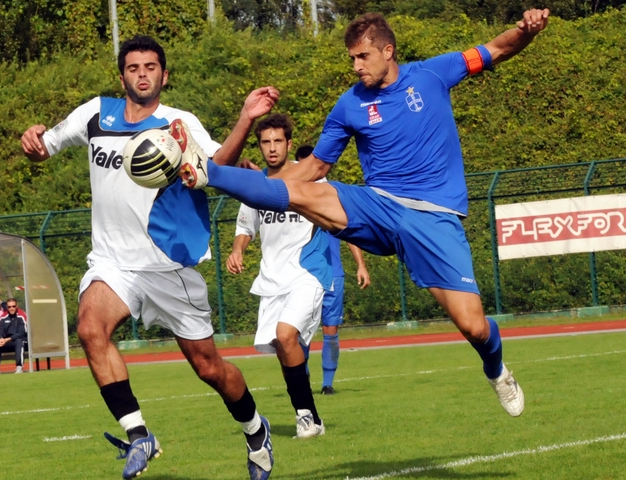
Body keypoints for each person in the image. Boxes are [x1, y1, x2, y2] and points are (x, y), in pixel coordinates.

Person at [179, 9, 552, 418]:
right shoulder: (350, 104)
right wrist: (273, 185)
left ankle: (497, 370)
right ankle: (207, 173)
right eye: (352, 59)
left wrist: (526, 30)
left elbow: (498, 49)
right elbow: (316, 168)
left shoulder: (432, 75)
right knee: (303, 193)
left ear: (387, 51)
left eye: (363, 57)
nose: (356, 67)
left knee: (474, 327)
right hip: (378, 206)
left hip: (433, 217)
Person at [20, 35, 277, 480]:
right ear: (122, 76)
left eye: (151, 67)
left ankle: (256, 430)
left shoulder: (178, 123)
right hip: (113, 263)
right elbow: (46, 147)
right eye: (134, 67)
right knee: (88, 327)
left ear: (164, 74)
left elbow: (218, 165)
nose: (143, 74)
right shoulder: (96, 113)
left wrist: (244, 119)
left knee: (209, 368)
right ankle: (139, 434)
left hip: (169, 265)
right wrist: (33, 141)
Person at [226, 114, 329, 438]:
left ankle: (305, 418)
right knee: (283, 346)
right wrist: (238, 249)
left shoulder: (311, 179)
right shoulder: (256, 187)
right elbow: (246, 226)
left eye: (277, 141)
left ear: (288, 143)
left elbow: (335, 214)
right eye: (265, 142)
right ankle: (309, 415)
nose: (272, 148)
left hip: (307, 273)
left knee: (286, 336)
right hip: (271, 281)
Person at [295, 145, 371, 395]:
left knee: (330, 330)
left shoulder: (332, 193)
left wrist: (360, 264)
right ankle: (301, 380)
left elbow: (349, 232)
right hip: (302, 275)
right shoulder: (291, 195)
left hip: (332, 274)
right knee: (301, 331)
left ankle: (328, 384)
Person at [0, 298, 27, 375]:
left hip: (18, 339)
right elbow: (0, 331)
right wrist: (0, 338)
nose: (11, 308)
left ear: (16, 306)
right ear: (7, 307)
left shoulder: (21, 316)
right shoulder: (3, 317)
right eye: (9, 307)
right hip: (7, 341)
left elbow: (22, 333)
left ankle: (19, 366)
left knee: (19, 341)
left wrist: (8, 339)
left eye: (13, 306)